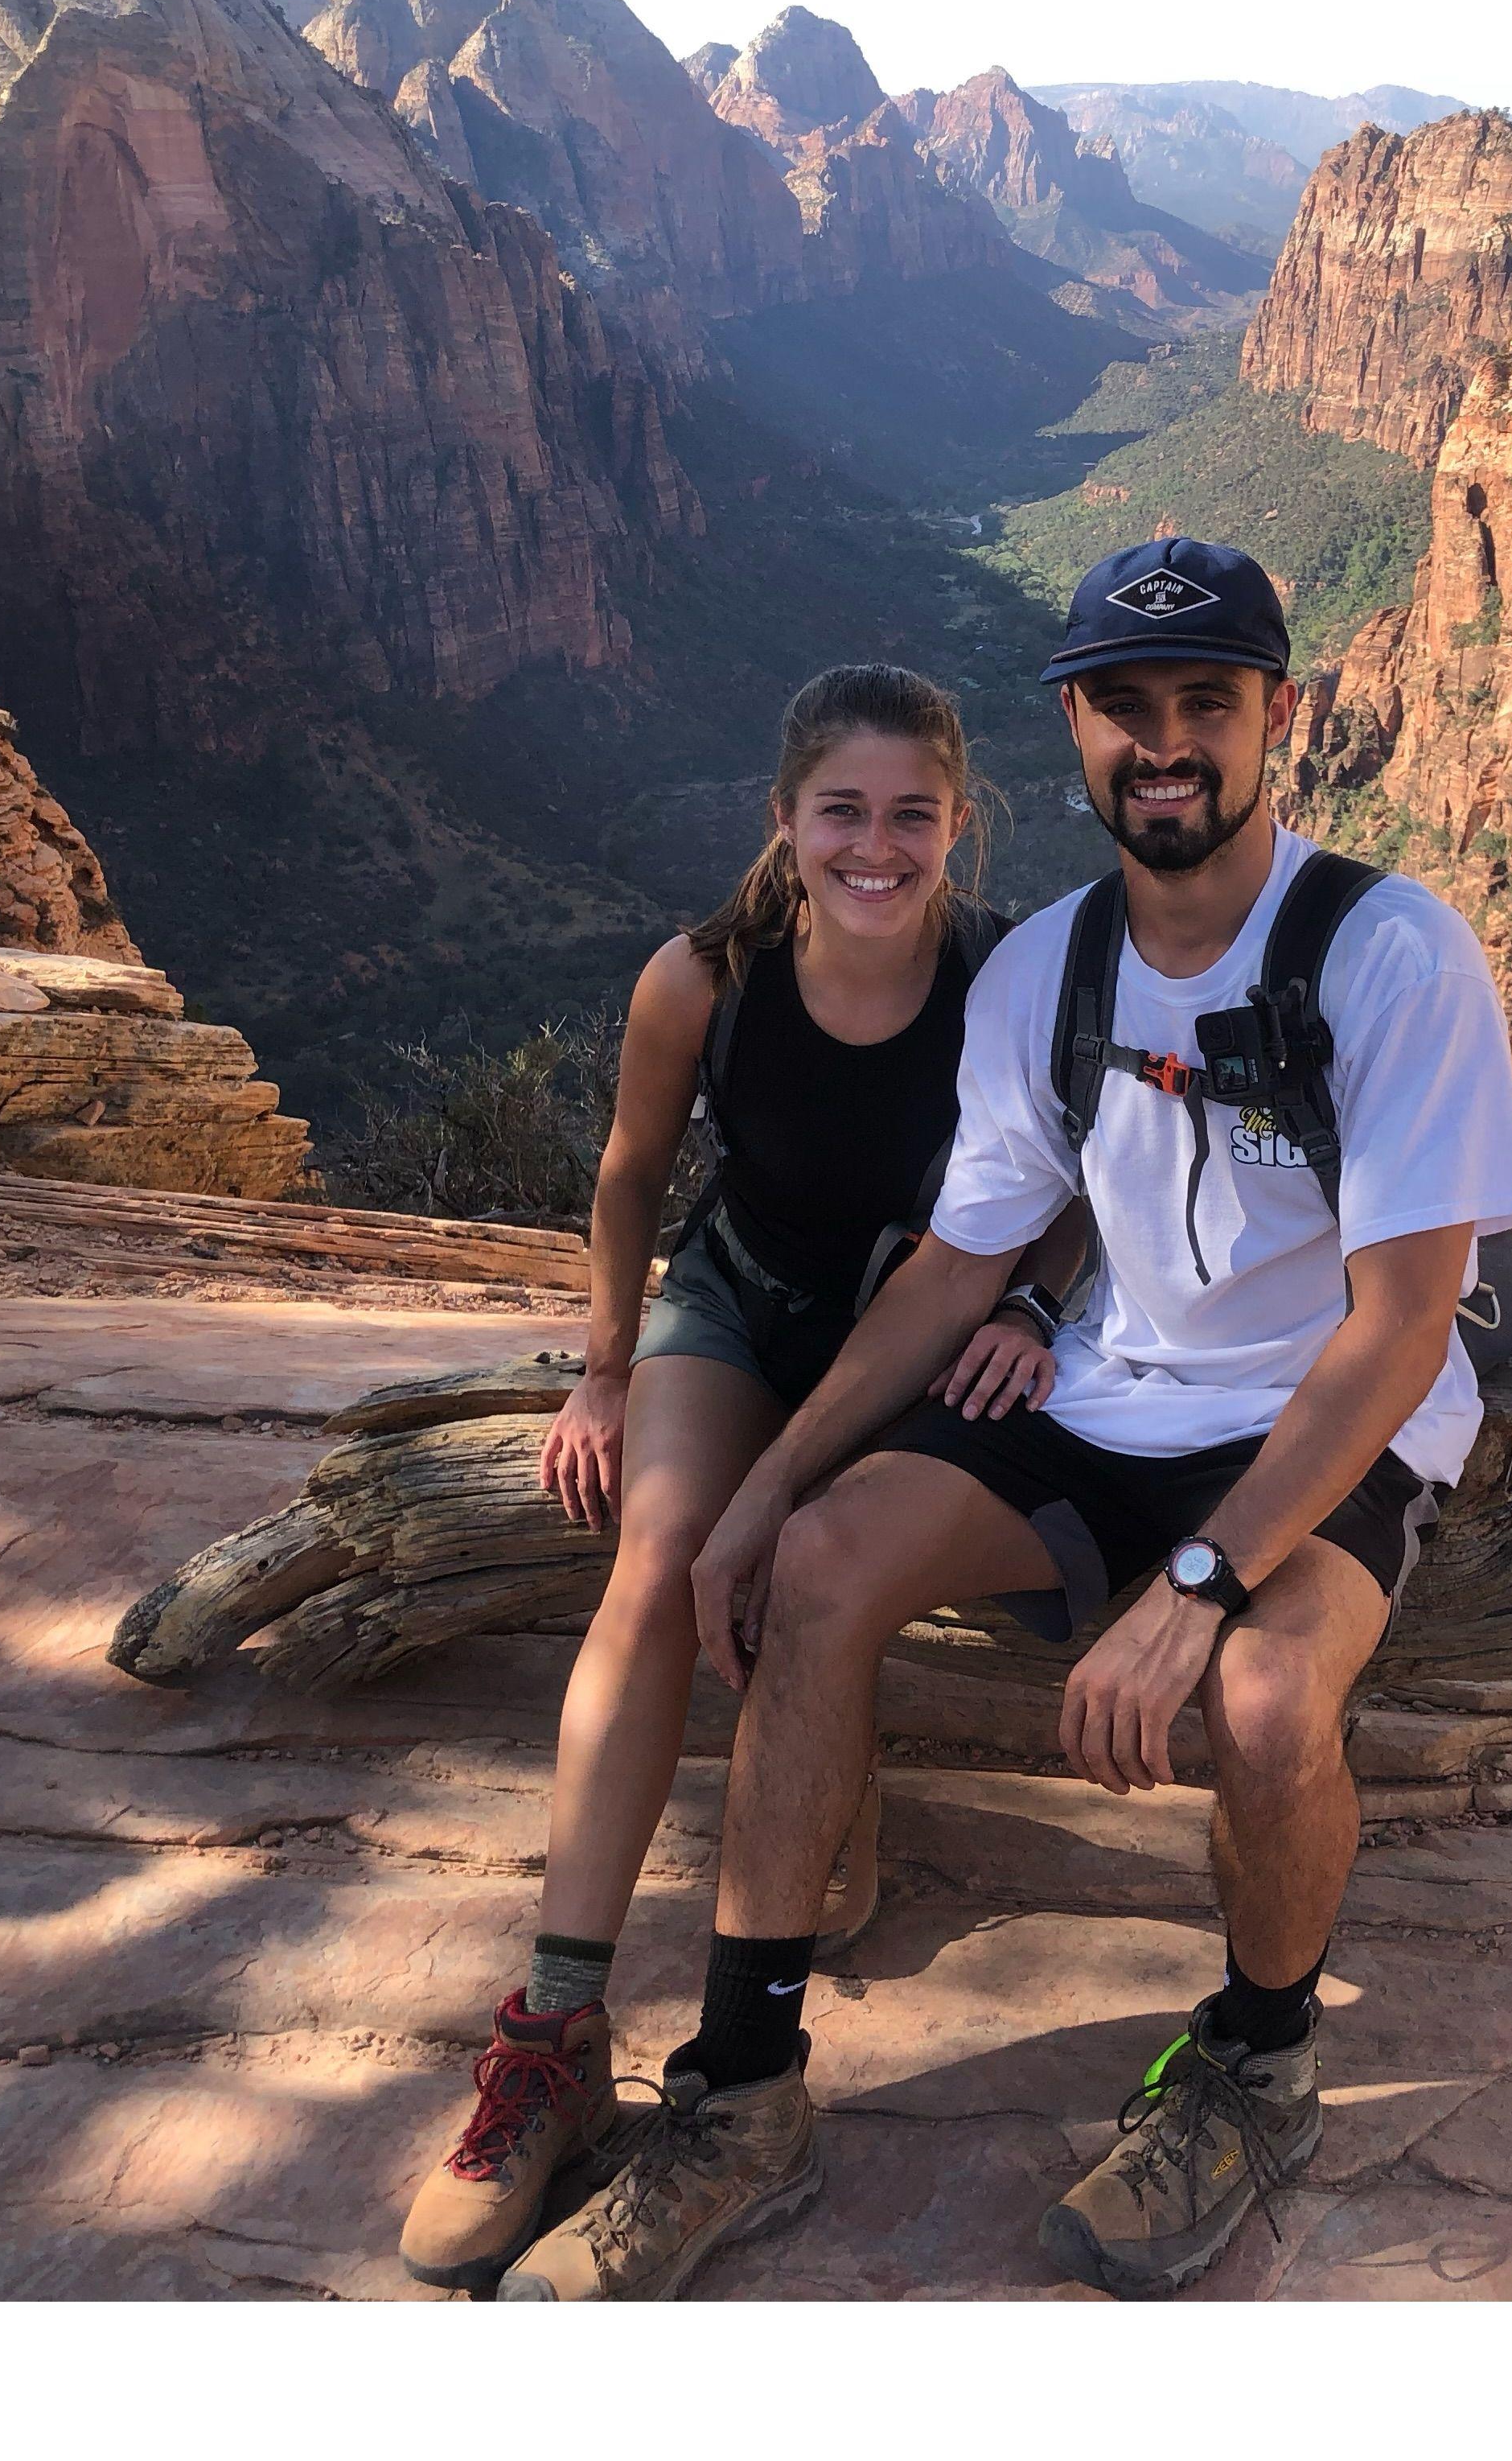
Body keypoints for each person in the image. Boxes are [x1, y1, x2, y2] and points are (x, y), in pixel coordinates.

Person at [499, 534, 1512, 2302]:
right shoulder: (1044, 971)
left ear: (1278, 717)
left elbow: (1400, 1329)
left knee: (1272, 1694)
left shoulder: (1390, 955)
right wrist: (767, 1488)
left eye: (1204, 703)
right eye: (1124, 707)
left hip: (1322, 1411)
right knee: (822, 1566)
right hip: (1110, 1389)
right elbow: (943, 1277)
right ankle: (743, 2096)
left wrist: (1200, 1588)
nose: (1165, 744)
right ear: (1071, 730)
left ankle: (1257, 2062)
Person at [396, 663, 1083, 2292]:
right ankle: (556, 2031)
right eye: (841, 812)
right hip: (745, 1298)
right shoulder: (700, 981)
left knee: (824, 1548)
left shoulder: (1003, 985)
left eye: (911, 815)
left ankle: (827, 1801)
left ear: (957, 826)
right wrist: (611, 1363)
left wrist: (1043, 1306)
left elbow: (1072, 1180)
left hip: (921, 1321)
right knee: (661, 1558)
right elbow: (633, 1173)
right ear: (784, 823)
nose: (876, 846)